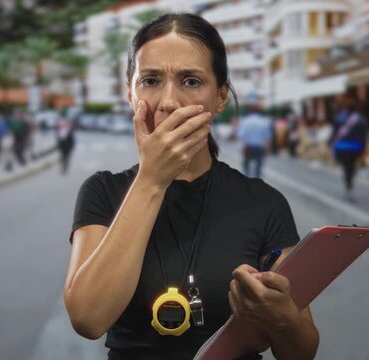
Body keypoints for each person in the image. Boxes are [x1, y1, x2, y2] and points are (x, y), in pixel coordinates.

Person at [64, 13, 318, 360]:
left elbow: (302, 352)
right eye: (150, 80)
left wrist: (282, 315)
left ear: (221, 97)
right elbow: (88, 318)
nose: (168, 102)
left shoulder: (263, 202)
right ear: (130, 93)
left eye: (191, 81)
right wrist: (152, 179)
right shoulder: (104, 191)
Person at [329, 96, 367, 201]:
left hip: (342, 147)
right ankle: (350, 183)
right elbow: (363, 136)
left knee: (346, 167)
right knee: (352, 166)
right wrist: (364, 148)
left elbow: (334, 133)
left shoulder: (339, 118)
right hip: (356, 147)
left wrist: (331, 143)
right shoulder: (361, 119)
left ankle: (348, 184)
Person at [236, 103, 273, 178]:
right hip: (260, 147)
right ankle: (257, 183)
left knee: (246, 165)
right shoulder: (264, 121)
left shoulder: (245, 121)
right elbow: (268, 137)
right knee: (258, 168)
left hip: (248, 147)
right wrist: (267, 149)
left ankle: (247, 181)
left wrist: (241, 148)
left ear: (249, 111)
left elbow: (240, 135)